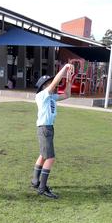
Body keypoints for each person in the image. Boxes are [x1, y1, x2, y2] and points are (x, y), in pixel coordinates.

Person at [30, 63, 74, 199]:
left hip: (48, 128)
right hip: (44, 128)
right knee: (50, 157)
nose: (52, 85)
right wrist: (65, 67)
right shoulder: (42, 95)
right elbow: (55, 82)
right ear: (44, 86)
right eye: (48, 83)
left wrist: (69, 79)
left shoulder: (51, 97)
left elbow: (67, 94)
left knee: (43, 155)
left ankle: (35, 181)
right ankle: (42, 188)